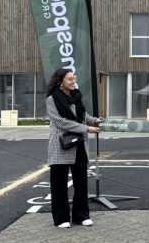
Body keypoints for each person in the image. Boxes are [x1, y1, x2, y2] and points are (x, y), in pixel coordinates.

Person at [46, 68, 101, 228]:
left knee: (81, 182)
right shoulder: (52, 99)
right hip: (60, 146)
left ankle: (81, 215)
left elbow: (82, 116)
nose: (73, 81)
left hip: (79, 145)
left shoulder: (76, 96)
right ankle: (61, 218)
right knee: (59, 184)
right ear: (60, 81)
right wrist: (86, 129)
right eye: (70, 79)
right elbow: (61, 122)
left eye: (74, 78)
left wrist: (94, 121)